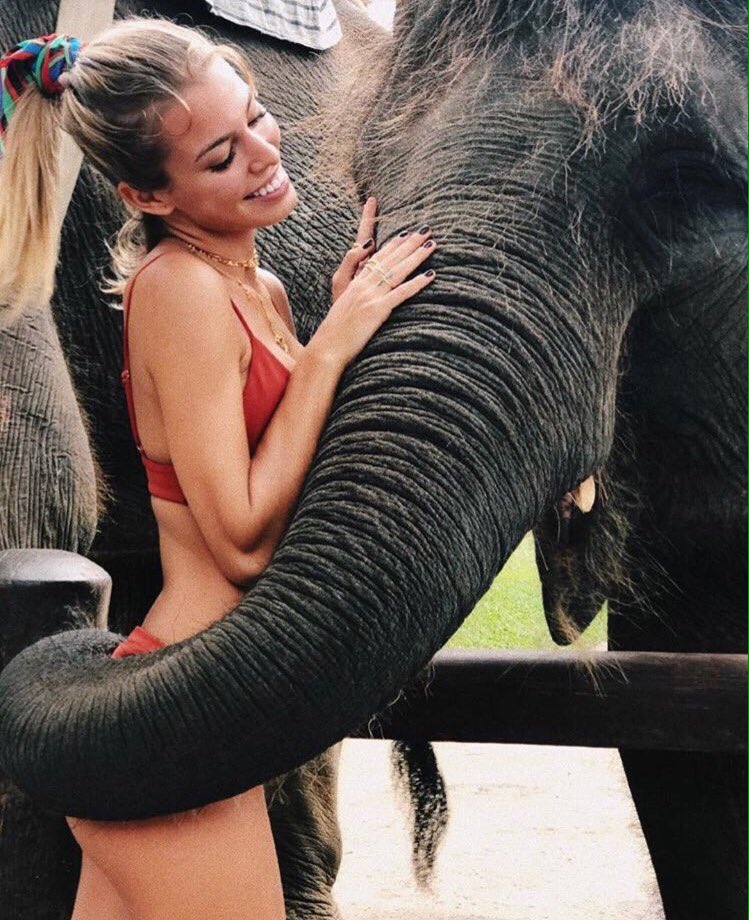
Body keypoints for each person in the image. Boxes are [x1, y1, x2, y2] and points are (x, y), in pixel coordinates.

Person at [0, 18, 437, 920]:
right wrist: (328, 352)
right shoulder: (180, 290)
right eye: (218, 156)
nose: (263, 156)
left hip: (205, 696)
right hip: (180, 709)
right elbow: (239, 543)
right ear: (147, 195)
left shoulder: (257, 287)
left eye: (258, 118)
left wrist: (323, 329)